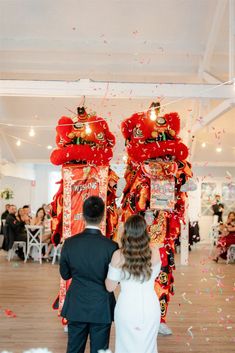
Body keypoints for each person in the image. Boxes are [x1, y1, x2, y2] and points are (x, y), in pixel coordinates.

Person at [60, 196, 118, 353]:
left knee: (74, 349)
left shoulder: (70, 243)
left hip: (77, 304)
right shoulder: (111, 246)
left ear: (83, 215)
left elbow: (65, 275)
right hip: (101, 306)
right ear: (103, 217)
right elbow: (115, 281)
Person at [105, 214, 161, 353]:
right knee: (148, 347)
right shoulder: (154, 252)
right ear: (144, 231)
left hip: (127, 307)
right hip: (150, 306)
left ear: (126, 232)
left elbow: (110, 287)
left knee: (125, 347)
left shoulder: (118, 255)